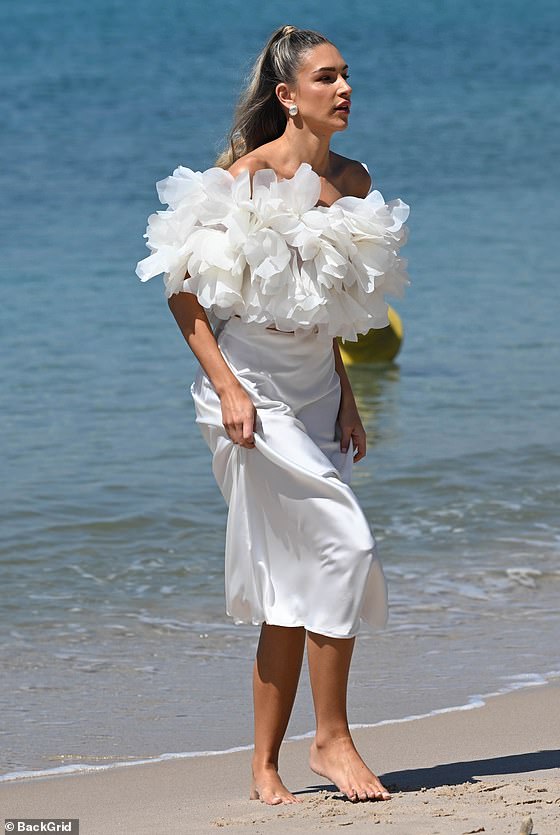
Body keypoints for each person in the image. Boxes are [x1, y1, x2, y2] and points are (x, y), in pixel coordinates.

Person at [136, 24, 409, 805]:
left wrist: (350, 392)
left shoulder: (353, 180)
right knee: (346, 546)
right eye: (327, 78)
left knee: (296, 584)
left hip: (319, 388)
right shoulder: (241, 180)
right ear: (288, 97)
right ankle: (332, 737)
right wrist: (225, 386)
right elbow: (180, 290)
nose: (345, 88)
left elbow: (337, 305)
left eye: (347, 74)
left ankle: (263, 765)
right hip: (251, 388)